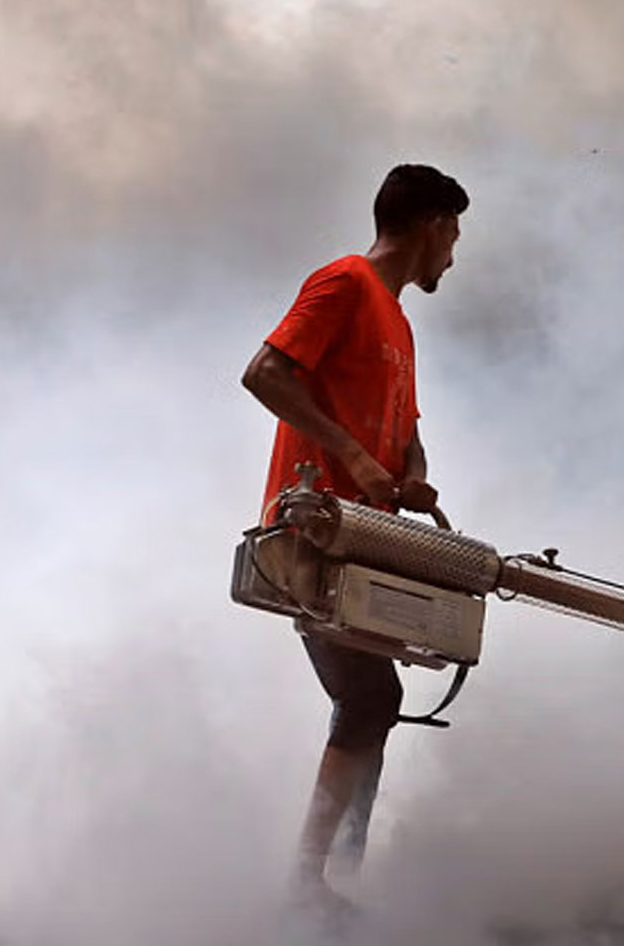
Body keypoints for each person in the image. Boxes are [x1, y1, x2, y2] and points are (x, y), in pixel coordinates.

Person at [241, 163, 466, 914]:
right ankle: (311, 885)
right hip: (311, 532)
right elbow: (266, 373)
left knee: (376, 695)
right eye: (454, 234)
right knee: (368, 694)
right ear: (432, 225)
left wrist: (411, 472)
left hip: (361, 536)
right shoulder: (342, 283)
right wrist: (360, 461)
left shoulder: (397, 322)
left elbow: (409, 438)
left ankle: (333, 881)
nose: (455, 255)